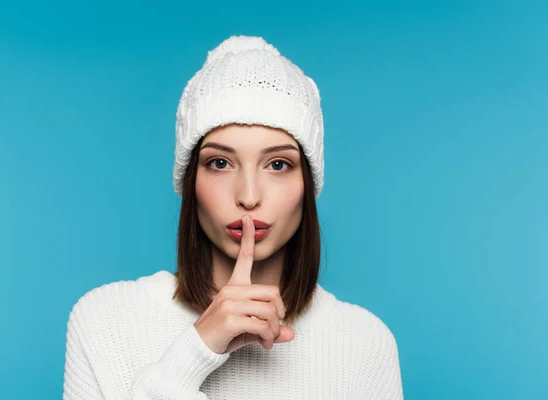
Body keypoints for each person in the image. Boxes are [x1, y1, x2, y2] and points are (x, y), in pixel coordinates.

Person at [63, 35, 404, 400]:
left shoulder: (365, 343)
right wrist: (193, 353)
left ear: (307, 184)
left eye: (278, 164)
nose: (248, 196)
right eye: (220, 163)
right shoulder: (106, 321)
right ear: (191, 182)